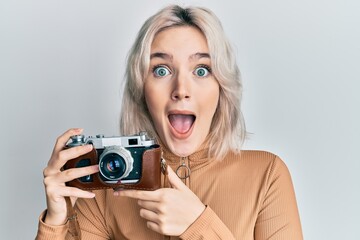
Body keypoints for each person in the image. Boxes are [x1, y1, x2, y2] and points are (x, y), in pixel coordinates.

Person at [36, 4, 303, 240]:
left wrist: (198, 226)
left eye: (201, 70)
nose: (181, 89)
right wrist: (55, 222)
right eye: (161, 70)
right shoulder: (105, 188)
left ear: (222, 87)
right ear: (141, 89)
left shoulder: (267, 174)